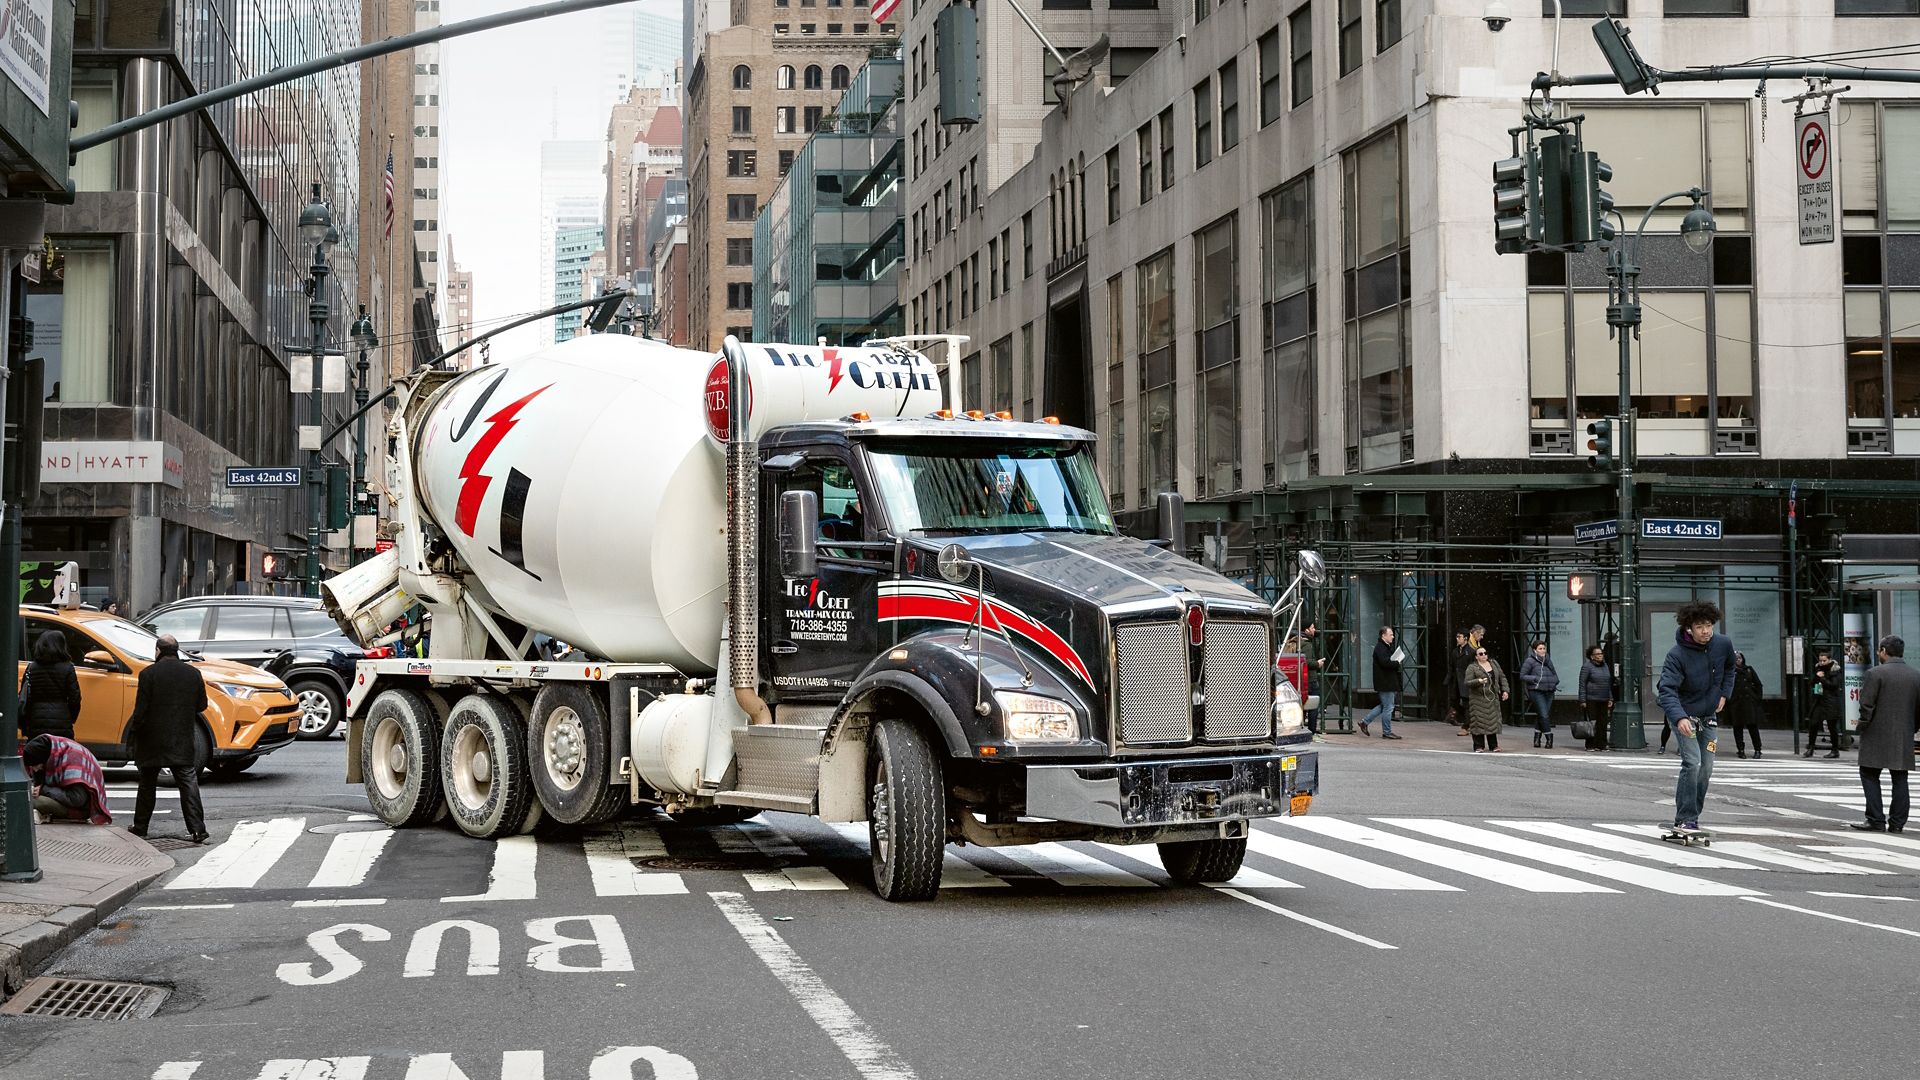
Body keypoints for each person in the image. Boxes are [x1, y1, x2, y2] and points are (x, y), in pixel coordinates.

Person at [1656, 601, 1736, 835]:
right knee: (1692, 763)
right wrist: (1679, 717)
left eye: (1709, 625)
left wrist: (1724, 693)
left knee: (1706, 768)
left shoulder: (1723, 644)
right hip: (1684, 714)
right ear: (1689, 628)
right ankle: (1685, 818)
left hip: (1708, 714)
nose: (1706, 631)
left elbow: (1731, 668)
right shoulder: (1676, 655)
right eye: (1700, 626)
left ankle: (1693, 816)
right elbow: (1667, 690)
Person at [125, 634, 209, 843]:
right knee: (188, 782)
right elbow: (202, 705)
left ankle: (140, 826)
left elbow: (141, 710)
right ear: (177, 650)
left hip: (152, 738)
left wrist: (133, 735)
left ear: (158, 651)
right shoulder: (193, 673)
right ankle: (197, 829)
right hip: (181, 736)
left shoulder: (148, 674)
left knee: (147, 783)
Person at [1853, 635, 1919, 833]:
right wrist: (1913, 727)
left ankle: (1875, 819)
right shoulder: (1915, 675)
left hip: (1876, 732)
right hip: (1903, 733)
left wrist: (1863, 725)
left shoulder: (1875, 673)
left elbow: (1866, 704)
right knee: (1900, 778)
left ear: (1883, 650)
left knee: (1869, 774)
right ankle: (1897, 823)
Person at [21, 734, 111, 825]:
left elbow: (77, 799)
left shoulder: (73, 759)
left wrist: (44, 789)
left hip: (79, 808)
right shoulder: (51, 754)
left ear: (44, 759)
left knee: (34, 802)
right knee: (28, 799)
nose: (35, 770)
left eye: (36, 765)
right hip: (65, 798)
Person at [18, 629, 83, 742]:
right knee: (60, 755)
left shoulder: (31, 668)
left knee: (38, 754)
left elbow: (25, 696)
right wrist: (70, 717)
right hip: (62, 720)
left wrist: (27, 721)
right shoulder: (68, 668)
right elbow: (75, 698)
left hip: (36, 720)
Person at [1360, 626, 1404, 740]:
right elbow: (1385, 663)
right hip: (1386, 682)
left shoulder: (1385, 647)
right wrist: (1397, 662)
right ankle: (1386, 731)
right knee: (1388, 707)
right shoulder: (1381, 648)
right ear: (1383, 635)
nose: (1393, 637)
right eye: (1390, 634)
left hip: (1387, 681)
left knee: (1384, 706)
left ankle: (1365, 722)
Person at [1464, 644, 1509, 752]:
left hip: (1492, 697)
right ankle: (1478, 746)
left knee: (1492, 721)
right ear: (1476, 656)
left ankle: (1493, 745)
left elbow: (1502, 677)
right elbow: (1467, 682)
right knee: (1478, 722)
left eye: (1485, 653)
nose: (1484, 655)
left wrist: (1505, 690)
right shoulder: (1472, 667)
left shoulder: (1494, 664)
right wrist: (1478, 681)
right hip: (1478, 699)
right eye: (1481, 654)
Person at [1519, 641, 1560, 748]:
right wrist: (1535, 679)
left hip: (1549, 690)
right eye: (1540, 649)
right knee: (1544, 714)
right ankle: (1549, 737)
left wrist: (1555, 681)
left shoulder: (1548, 660)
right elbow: (1522, 675)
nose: (1542, 651)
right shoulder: (1530, 661)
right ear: (1534, 650)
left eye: (1544, 648)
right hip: (1536, 691)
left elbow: (1554, 673)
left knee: (1542, 715)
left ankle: (1537, 738)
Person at [1805, 649, 1844, 759]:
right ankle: (1811, 748)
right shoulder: (1818, 668)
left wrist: (1822, 678)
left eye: (1824, 660)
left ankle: (1835, 749)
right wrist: (1817, 676)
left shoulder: (1835, 670)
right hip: (1819, 700)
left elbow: (1833, 685)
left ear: (1829, 660)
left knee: (1832, 726)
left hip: (1831, 701)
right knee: (1813, 724)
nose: (1822, 663)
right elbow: (1811, 682)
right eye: (1820, 660)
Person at [1727, 651, 1765, 759]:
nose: (1737, 659)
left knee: (1753, 727)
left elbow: (1758, 684)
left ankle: (1757, 749)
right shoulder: (1730, 671)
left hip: (1749, 703)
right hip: (1736, 703)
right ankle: (1740, 750)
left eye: (1739, 657)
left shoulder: (1749, 669)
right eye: (1735, 658)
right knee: (1737, 727)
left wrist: (1757, 699)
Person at [1578, 644, 1613, 752]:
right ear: (1592, 656)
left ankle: (1602, 744)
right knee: (1592, 723)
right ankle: (1590, 744)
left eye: (1601, 653)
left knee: (1603, 722)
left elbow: (1608, 683)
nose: (1600, 656)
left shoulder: (1605, 666)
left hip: (1604, 698)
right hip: (1591, 698)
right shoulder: (1587, 667)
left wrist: (1610, 698)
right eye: (1597, 654)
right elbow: (1582, 683)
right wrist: (1582, 700)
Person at [1450, 631, 1474, 733]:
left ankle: (1466, 726)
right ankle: (1466, 722)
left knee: (1466, 703)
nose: (1457, 639)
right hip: (1456, 681)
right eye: (1457, 636)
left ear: (1465, 638)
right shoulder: (1455, 651)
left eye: (1459, 637)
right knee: (1454, 702)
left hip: (1466, 680)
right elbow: (1451, 665)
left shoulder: (1471, 651)